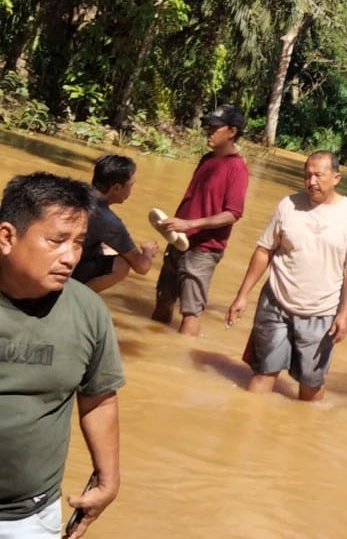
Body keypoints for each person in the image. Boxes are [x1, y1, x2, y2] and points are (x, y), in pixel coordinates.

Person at [0, 173, 124, 538]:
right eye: (57, 241)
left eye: (79, 243)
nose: (70, 257)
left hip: (29, 517)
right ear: (7, 237)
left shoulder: (87, 311)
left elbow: (98, 399)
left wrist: (108, 480)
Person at [226, 152, 347, 401]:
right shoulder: (288, 205)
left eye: (318, 175)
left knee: (310, 387)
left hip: (321, 311)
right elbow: (264, 250)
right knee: (263, 375)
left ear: (336, 178)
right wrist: (242, 296)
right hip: (275, 303)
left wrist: (345, 315)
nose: (311, 181)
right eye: (307, 175)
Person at [152, 104, 249, 336]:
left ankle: (180, 361)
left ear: (232, 132)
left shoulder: (237, 168)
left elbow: (233, 214)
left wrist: (190, 225)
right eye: (209, 126)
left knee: (190, 311)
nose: (209, 131)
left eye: (215, 127)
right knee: (163, 300)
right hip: (178, 239)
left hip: (203, 249)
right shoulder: (207, 159)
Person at [71, 154, 159, 293]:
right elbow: (142, 267)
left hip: (51, 259)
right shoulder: (107, 220)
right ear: (117, 188)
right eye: (131, 186)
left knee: (109, 249)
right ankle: (77, 300)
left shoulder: (73, 192)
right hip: (69, 267)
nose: (131, 191)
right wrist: (147, 251)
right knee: (122, 264)